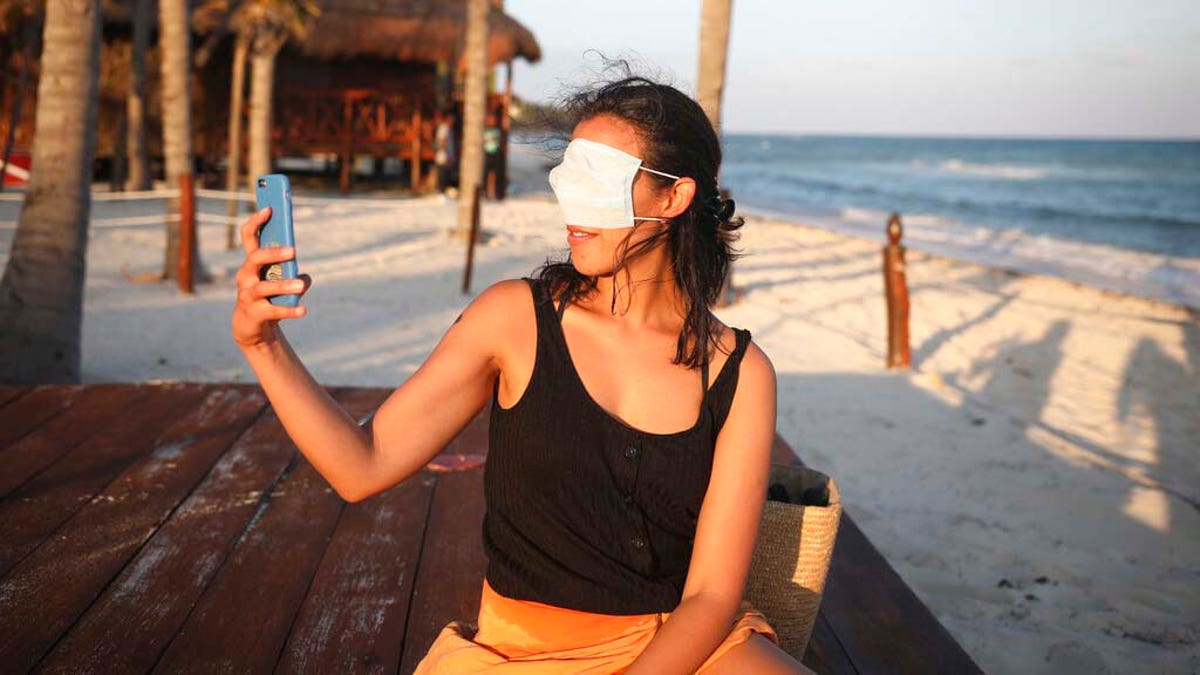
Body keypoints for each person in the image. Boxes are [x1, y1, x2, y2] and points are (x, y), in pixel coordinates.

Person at [230, 74, 810, 674]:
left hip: (681, 647)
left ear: (674, 198)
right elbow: (361, 464)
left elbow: (712, 597)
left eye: (598, 176)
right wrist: (263, 345)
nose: (570, 203)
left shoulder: (740, 371)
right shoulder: (514, 319)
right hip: (521, 652)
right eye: (568, 174)